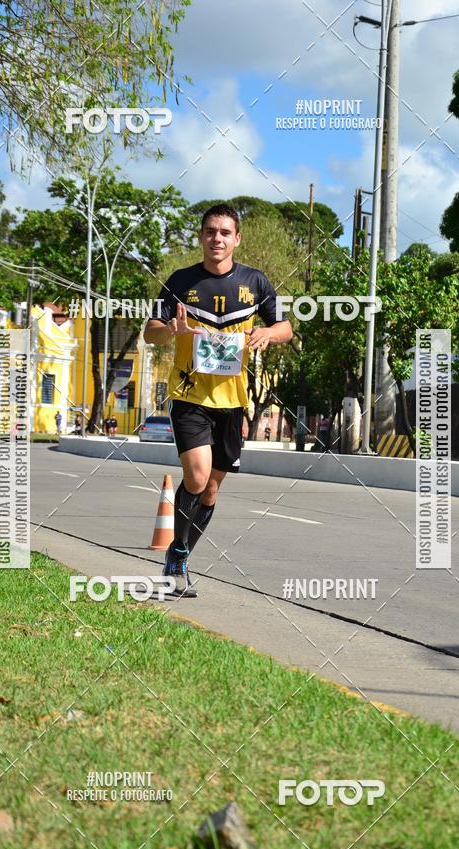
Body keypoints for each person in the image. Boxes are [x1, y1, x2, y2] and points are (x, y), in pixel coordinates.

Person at [144, 203, 293, 598]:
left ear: (236, 239)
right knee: (195, 477)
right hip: (190, 395)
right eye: (210, 231)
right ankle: (176, 561)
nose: (217, 239)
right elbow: (150, 333)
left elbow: (286, 326)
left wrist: (268, 335)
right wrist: (171, 329)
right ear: (201, 237)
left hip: (232, 402)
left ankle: (179, 555)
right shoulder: (180, 282)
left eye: (225, 233)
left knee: (210, 490)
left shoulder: (255, 283)